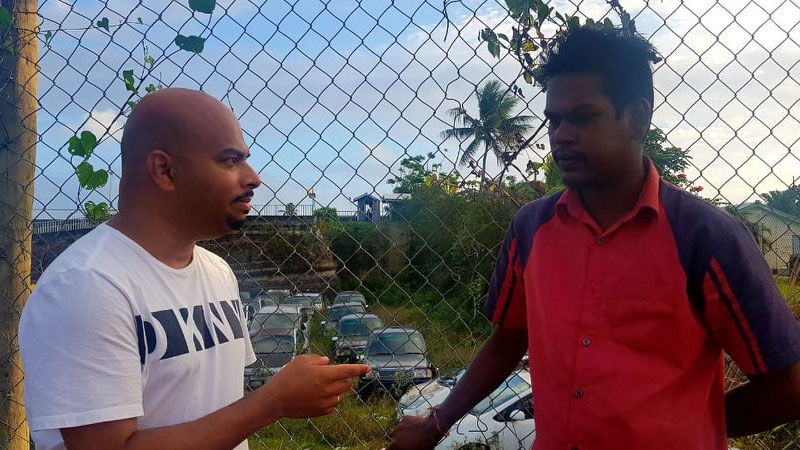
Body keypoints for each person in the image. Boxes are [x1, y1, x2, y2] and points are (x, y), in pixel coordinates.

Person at [389, 26, 800, 450]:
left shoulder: (705, 236)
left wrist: (691, 424)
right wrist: (436, 422)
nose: (561, 135)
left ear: (637, 118)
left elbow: (789, 387)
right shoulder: (530, 228)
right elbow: (509, 338)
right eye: (554, 119)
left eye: (584, 117)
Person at [19, 88, 369, 450]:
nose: (253, 178)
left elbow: (211, 407)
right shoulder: (86, 287)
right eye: (230, 160)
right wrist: (271, 404)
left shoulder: (217, 272)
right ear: (165, 170)